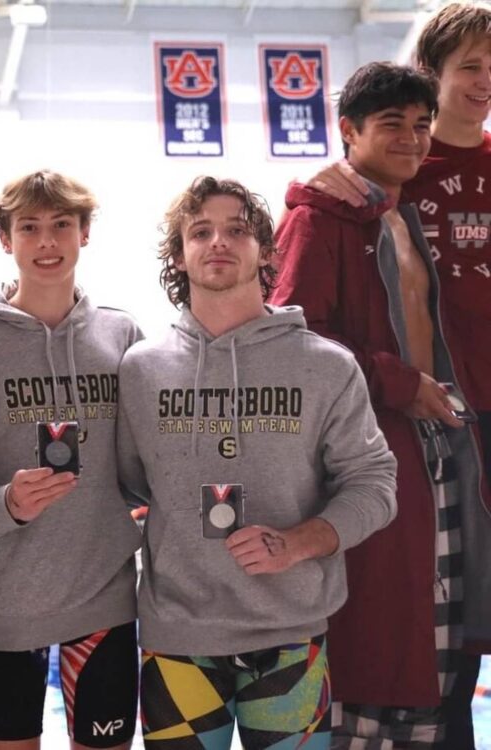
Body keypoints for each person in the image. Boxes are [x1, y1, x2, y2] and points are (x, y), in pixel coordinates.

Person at [117, 175, 398, 750]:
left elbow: (375, 483)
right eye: (201, 231)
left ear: (267, 251)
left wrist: (299, 542)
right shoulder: (140, 370)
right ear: (179, 254)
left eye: (237, 230)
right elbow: (127, 484)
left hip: (290, 635)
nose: (219, 241)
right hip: (179, 638)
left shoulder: (326, 366)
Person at [271, 62, 489, 748]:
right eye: (391, 124)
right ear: (347, 132)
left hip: (437, 450)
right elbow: (293, 341)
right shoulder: (318, 215)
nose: (413, 140)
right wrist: (400, 384)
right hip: (372, 454)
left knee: (438, 640)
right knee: (377, 648)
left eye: (421, 125)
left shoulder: (399, 214)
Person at [0, 170, 143, 750]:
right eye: (29, 228)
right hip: (3, 608)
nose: (47, 242)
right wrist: (4, 505)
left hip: (103, 597)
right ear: (6, 240)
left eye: (61, 225)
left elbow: (144, 461)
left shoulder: (121, 334)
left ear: (84, 233)